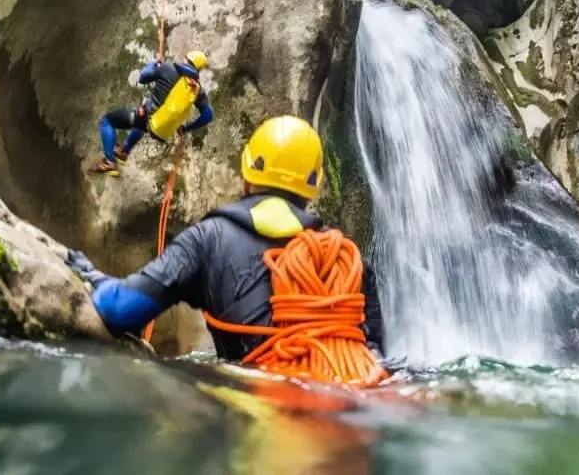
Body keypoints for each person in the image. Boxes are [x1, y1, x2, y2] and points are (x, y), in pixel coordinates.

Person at [67, 115, 385, 362]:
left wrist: (95, 277)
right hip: (346, 410)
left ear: (247, 174)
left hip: (255, 409)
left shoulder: (209, 240)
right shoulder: (349, 258)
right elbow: (376, 356)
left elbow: (121, 309)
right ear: (313, 186)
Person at [89, 50, 215, 177]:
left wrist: (154, 64)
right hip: (161, 131)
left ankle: (108, 161)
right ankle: (124, 151)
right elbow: (208, 116)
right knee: (142, 119)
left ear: (187, 59)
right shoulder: (197, 90)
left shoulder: (169, 68)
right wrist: (186, 128)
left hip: (147, 118)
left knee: (107, 121)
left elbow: (143, 78)